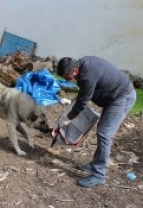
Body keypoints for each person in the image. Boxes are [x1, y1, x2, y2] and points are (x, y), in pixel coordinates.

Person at [57, 56, 136, 188]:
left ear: (75, 70)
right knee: (102, 129)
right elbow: (83, 94)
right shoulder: (83, 64)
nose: (66, 80)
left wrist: (67, 118)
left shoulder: (86, 75)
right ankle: (96, 163)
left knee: (104, 134)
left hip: (122, 97)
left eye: (66, 77)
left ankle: (99, 175)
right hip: (115, 96)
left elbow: (82, 102)